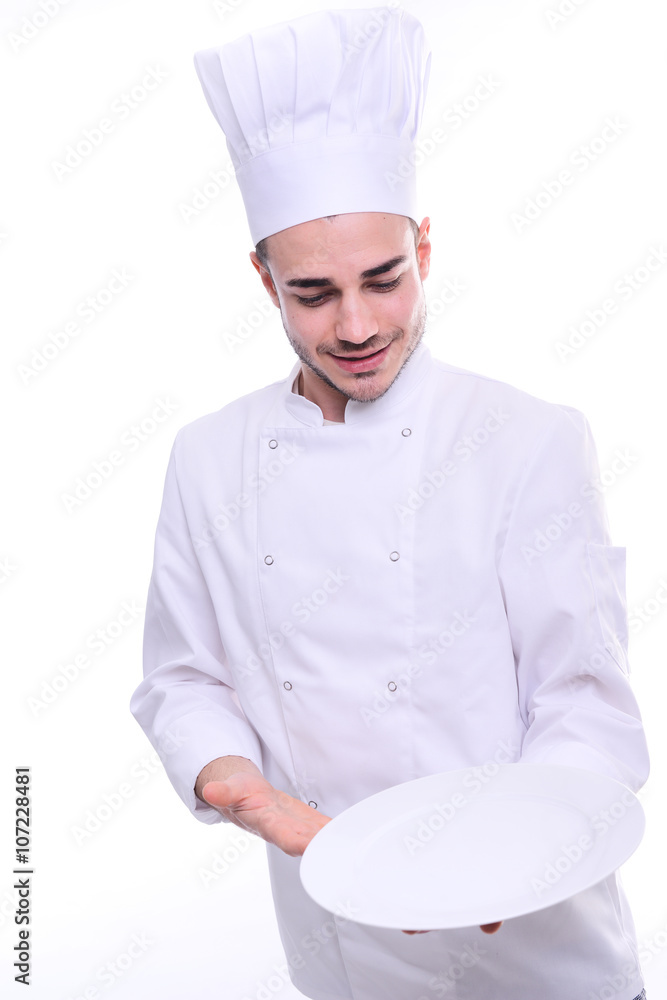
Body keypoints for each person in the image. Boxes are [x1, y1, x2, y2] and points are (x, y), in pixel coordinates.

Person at [129, 8, 649, 999]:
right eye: (313, 294)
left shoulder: (528, 440)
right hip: (341, 954)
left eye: (384, 279)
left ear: (424, 247)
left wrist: (516, 850)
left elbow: (583, 701)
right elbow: (183, 677)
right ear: (262, 281)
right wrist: (240, 787)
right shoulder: (207, 459)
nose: (358, 325)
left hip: (541, 956)